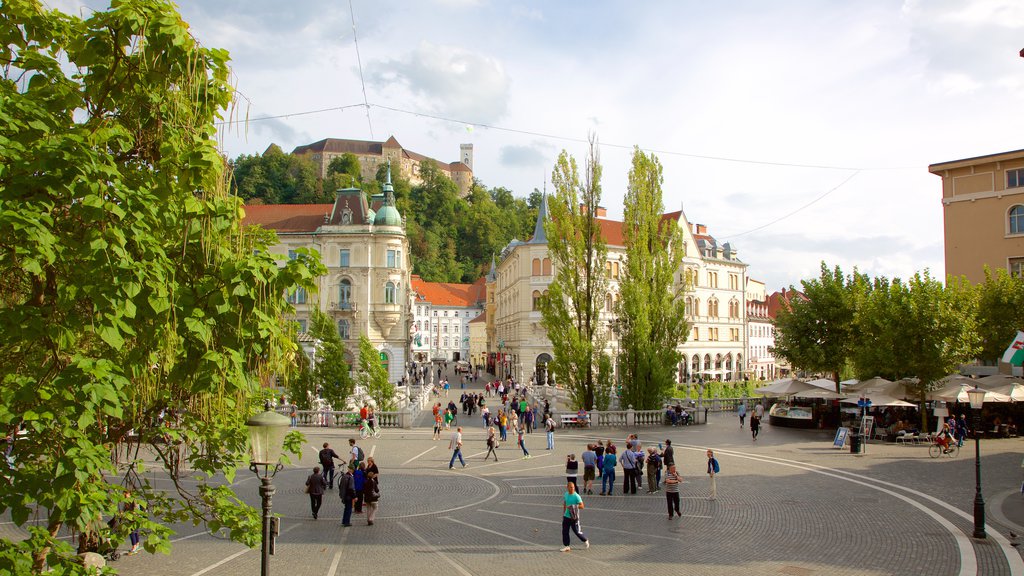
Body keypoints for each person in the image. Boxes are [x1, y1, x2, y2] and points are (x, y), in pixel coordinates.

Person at [560, 481, 590, 552]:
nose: (572, 488)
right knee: (565, 531)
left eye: (573, 487)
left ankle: (585, 539)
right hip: (566, 516)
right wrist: (564, 513)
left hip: (574, 517)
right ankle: (567, 546)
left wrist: (573, 506)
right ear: (567, 488)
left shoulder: (576, 496)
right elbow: (565, 503)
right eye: (571, 487)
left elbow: (582, 506)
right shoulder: (566, 494)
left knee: (577, 531)